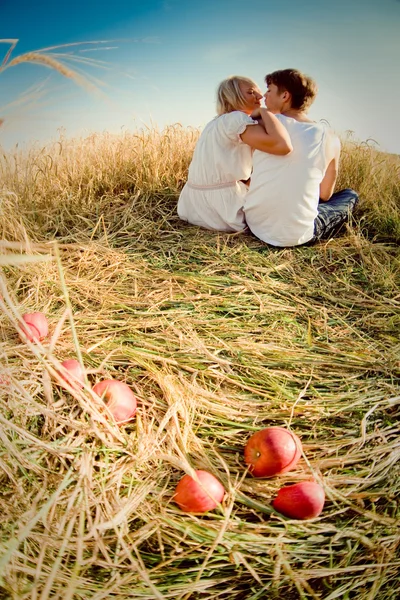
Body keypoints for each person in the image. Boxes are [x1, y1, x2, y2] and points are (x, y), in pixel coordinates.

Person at [243, 69, 359, 247]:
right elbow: (325, 194)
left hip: (254, 224)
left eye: (269, 90)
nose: (263, 96)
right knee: (349, 195)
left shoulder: (260, 126)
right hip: (296, 236)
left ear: (285, 96)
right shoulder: (330, 138)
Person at [177, 75, 292, 232]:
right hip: (222, 212)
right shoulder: (237, 119)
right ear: (233, 96)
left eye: (259, 92)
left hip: (192, 207)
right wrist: (265, 112)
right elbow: (282, 145)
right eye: (251, 92)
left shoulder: (215, 123)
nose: (260, 97)